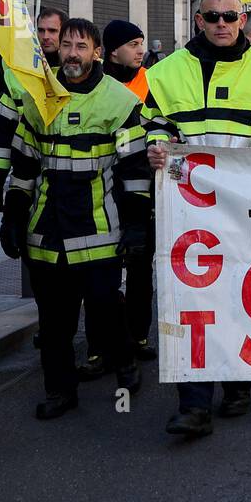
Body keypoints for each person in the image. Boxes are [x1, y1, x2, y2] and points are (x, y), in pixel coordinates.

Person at [145, 0, 251, 438]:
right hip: (188, 209)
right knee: (191, 300)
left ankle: (238, 381)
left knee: (241, 294)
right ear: (199, 20)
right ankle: (193, 404)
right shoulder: (166, 72)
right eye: (213, 16)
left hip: (247, 207)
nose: (221, 23)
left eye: (230, 16)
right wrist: (154, 148)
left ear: (242, 20)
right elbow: (150, 126)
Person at [0, 18, 149, 419]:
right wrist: (12, 217)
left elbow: (135, 169)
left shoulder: (117, 101)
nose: (71, 53)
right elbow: (24, 168)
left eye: (81, 46)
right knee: (54, 321)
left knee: (104, 307)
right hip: (47, 231)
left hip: (98, 226)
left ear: (96, 53)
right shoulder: (38, 99)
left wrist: (137, 224)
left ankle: (124, 361)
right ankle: (60, 390)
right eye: (66, 45)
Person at [102, 19, 156, 363]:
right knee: (105, 272)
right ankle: (105, 342)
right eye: (133, 44)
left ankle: (137, 337)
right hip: (104, 193)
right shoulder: (98, 86)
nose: (140, 50)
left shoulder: (153, 82)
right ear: (112, 51)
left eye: (141, 43)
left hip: (143, 190)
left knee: (140, 268)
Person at [0, 6, 65, 209]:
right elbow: (3, 134)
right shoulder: (16, 74)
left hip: (71, 175)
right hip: (26, 175)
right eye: (40, 30)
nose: (45, 36)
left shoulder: (79, 72)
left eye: (52, 31)